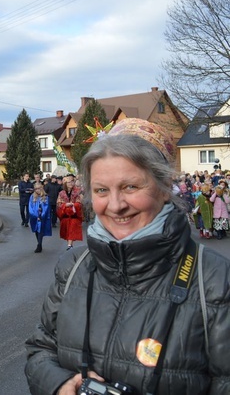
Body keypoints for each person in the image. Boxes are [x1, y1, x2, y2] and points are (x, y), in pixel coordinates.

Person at [25, 118, 230, 395]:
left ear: (164, 186)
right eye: (101, 190)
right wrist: (59, 384)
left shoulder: (216, 281)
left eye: (131, 187)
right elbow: (41, 349)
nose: (116, 205)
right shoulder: (73, 268)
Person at [56, 174, 83, 250]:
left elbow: (79, 203)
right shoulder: (61, 193)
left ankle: (69, 246)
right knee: (67, 233)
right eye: (69, 182)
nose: (71, 184)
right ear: (65, 184)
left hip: (74, 215)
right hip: (65, 215)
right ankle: (70, 244)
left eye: (72, 182)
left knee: (72, 231)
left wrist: (73, 204)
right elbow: (59, 204)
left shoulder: (76, 193)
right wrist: (65, 205)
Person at [28, 182, 51, 253]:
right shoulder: (32, 197)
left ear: (41, 188)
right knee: (36, 230)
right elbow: (30, 207)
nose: (37, 190)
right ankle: (39, 243)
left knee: (40, 230)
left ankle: (39, 244)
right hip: (34, 217)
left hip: (42, 218)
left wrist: (41, 216)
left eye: (39, 188)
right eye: (36, 189)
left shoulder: (45, 197)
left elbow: (46, 208)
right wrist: (35, 216)